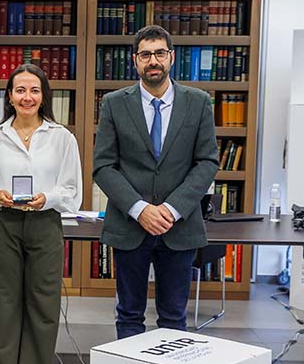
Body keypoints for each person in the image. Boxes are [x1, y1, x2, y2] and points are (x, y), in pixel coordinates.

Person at [0, 64, 82, 364]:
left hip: (45, 225)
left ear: (43, 96)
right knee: (3, 309)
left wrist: (44, 198)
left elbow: (71, 192)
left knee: (43, 310)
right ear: (9, 96)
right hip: (3, 223)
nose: (27, 97)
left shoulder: (62, 138)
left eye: (34, 90)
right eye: (20, 90)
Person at [92, 25, 219, 340]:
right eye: (146, 54)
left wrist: (172, 209)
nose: (153, 61)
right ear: (135, 60)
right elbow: (104, 166)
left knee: (174, 317)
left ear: (171, 57)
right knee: (129, 316)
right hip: (130, 225)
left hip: (180, 226)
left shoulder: (198, 102)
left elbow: (207, 162)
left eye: (159, 53)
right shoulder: (114, 103)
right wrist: (139, 209)